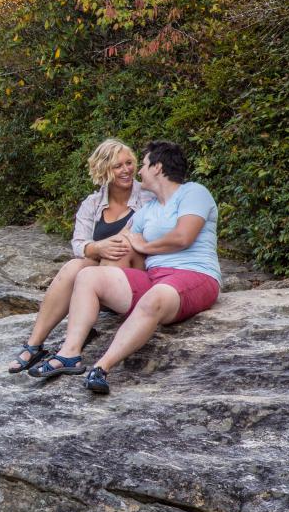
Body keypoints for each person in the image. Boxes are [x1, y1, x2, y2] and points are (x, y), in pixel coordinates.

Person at [28, 140, 221, 393]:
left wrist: (143, 245)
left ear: (157, 167)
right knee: (88, 276)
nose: (138, 171)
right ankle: (69, 353)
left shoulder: (194, 192)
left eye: (141, 164)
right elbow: (123, 239)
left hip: (194, 274)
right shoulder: (148, 209)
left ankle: (102, 367)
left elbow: (183, 237)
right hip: (154, 276)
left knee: (155, 297)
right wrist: (102, 250)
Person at [9, 138, 153, 373]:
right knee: (74, 266)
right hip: (98, 278)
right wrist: (97, 248)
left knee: (121, 246)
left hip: (134, 279)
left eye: (130, 163)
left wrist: (114, 245)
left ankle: (74, 344)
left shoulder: (148, 197)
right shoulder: (93, 203)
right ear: (103, 170)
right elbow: (79, 243)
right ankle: (34, 345)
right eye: (118, 166)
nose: (126, 170)